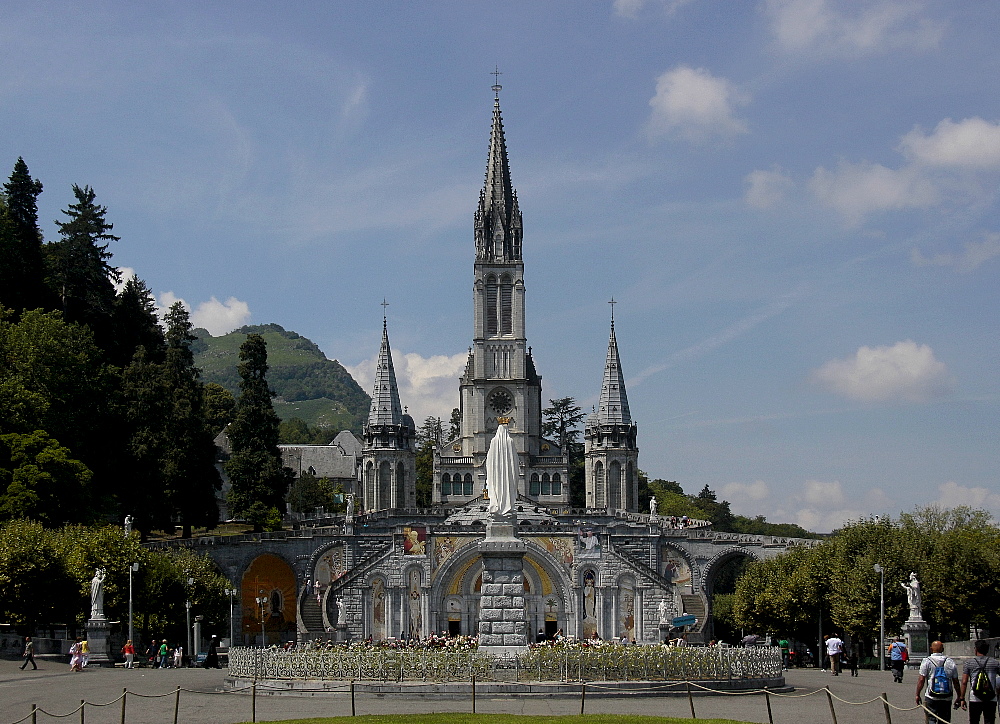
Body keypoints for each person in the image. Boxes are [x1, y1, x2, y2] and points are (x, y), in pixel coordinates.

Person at [916, 640, 961, 724]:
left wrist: (917, 694)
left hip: (931, 695)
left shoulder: (927, 661)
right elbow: (955, 681)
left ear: (931, 649)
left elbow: (921, 679)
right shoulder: (950, 662)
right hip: (947, 696)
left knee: (931, 718)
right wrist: (959, 696)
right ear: (943, 649)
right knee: (944, 719)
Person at [960, 640, 999, 724]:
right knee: (989, 721)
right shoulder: (995, 663)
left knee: (974, 721)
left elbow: (964, 681)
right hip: (991, 697)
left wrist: (961, 698)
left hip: (975, 697)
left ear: (976, 649)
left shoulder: (969, 663)